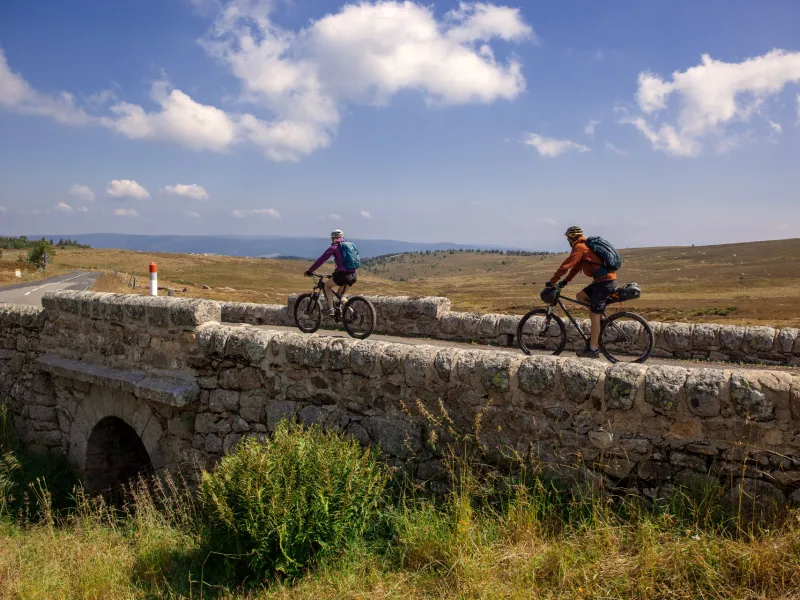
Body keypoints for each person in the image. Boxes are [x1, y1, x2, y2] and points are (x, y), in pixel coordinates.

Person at [545, 225, 617, 359]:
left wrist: (552, 281)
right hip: (601, 282)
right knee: (581, 296)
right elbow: (575, 268)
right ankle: (599, 320)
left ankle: (593, 349)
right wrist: (564, 282)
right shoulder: (584, 247)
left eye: (568, 238)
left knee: (594, 313)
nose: (567, 241)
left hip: (604, 283)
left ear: (572, 237)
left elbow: (566, 266)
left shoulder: (580, 247)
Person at [304, 229, 358, 316]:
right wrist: (334, 274)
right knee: (340, 295)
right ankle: (353, 313)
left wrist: (310, 271)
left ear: (333, 238)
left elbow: (321, 260)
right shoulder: (349, 247)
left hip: (343, 275)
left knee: (327, 286)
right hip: (354, 275)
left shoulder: (334, 247)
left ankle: (331, 309)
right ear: (342, 237)